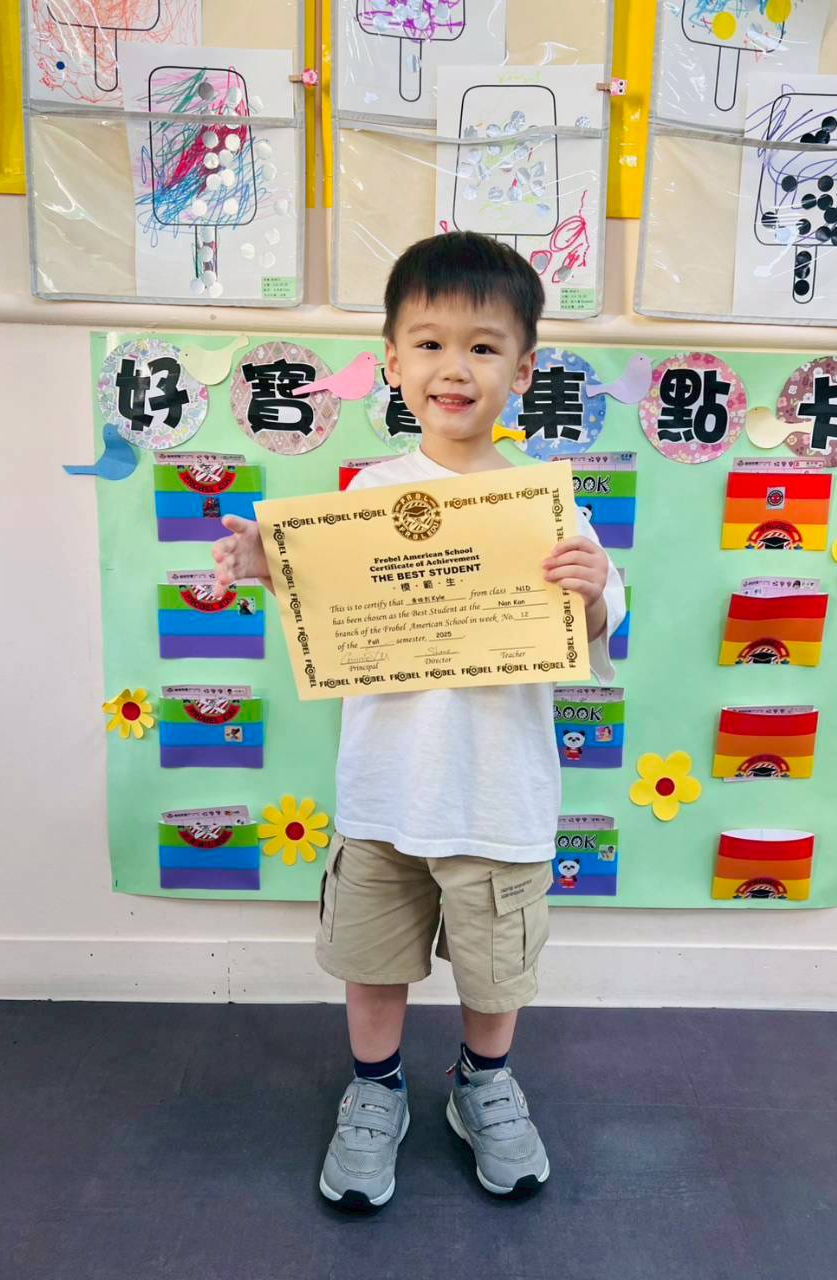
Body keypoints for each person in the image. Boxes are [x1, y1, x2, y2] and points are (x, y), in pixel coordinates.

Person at [212, 231, 626, 1211]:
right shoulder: (369, 496)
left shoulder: (546, 506)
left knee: (495, 970)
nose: (455, 367)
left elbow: (602, 624)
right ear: (392, 362)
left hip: (500, 793)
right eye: (430, 343)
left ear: (524, 370)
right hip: (385, 791)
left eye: (484, 346)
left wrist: (594, 586)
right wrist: (271, 567)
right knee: (373, 959)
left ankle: (484, 1083)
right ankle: (377, 1087)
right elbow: (329, 613)